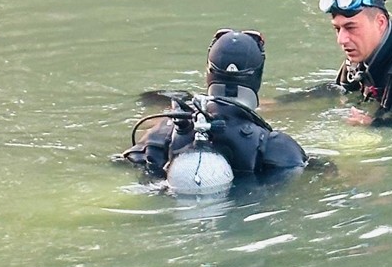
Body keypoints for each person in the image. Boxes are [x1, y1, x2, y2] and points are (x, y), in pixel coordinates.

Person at [118, 29, 308, 181]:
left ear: (208, 72)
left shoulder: (164, 132)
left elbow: (129, 164)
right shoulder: (276, 146)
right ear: (257, 77)